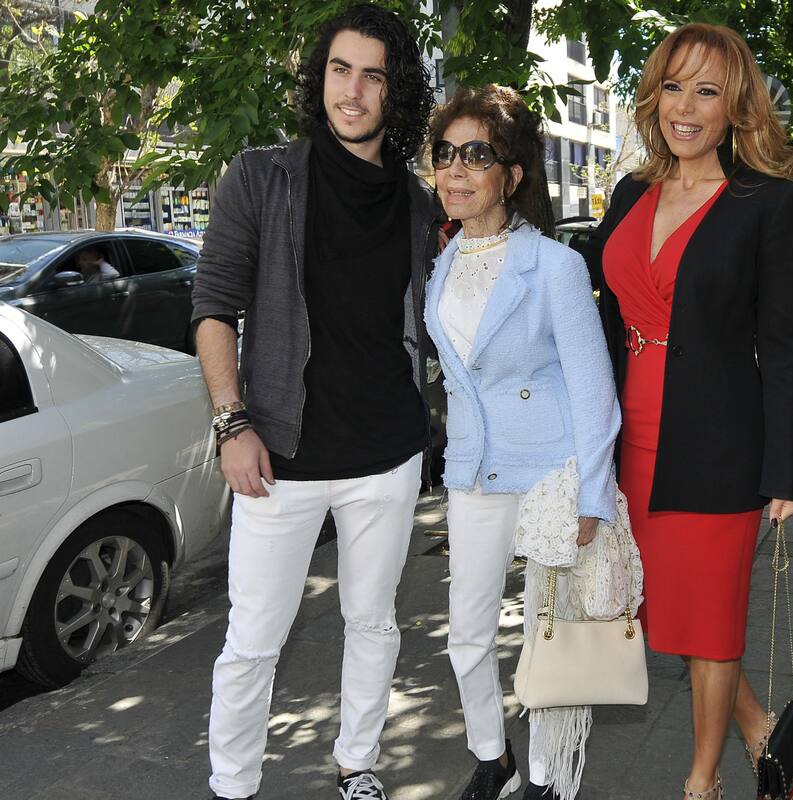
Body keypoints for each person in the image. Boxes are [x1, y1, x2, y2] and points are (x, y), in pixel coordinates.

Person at [188, 5, 439, 799]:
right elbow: (213, 306)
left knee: (373, 622)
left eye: (373, 74)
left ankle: (358, 763)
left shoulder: (419, 203)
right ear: (318, 77)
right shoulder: (262, 178)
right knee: (254, 638)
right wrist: (232, 423)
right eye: (340, 69)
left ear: (394, 92)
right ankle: (232, 784)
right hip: (280, 455)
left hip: (387, 457)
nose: (353, 91)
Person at [583, 22, 793, 800]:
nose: (686, 106)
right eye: (674, 85)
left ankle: (701, 782)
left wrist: (785, 467)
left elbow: (782, 346)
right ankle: (757, 728)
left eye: (707, 90)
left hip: (718, 444)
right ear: (654, 96)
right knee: (663, 609)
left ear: (734, 105)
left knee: (709, 623)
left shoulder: (768, 203)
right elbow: (601, 315)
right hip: (629, 438)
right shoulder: (629, 192)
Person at [424, 85, 620, 800]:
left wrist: (594, 493)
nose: (456, 170)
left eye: (477, 155)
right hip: (476, 470)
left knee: (553, 636)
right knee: (466, 633)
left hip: (550, 472)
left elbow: (595, 390)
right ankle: (491, 757)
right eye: (445, 154)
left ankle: (544, 779)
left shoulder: (556, 267)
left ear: (512, 175)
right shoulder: (443, 263)